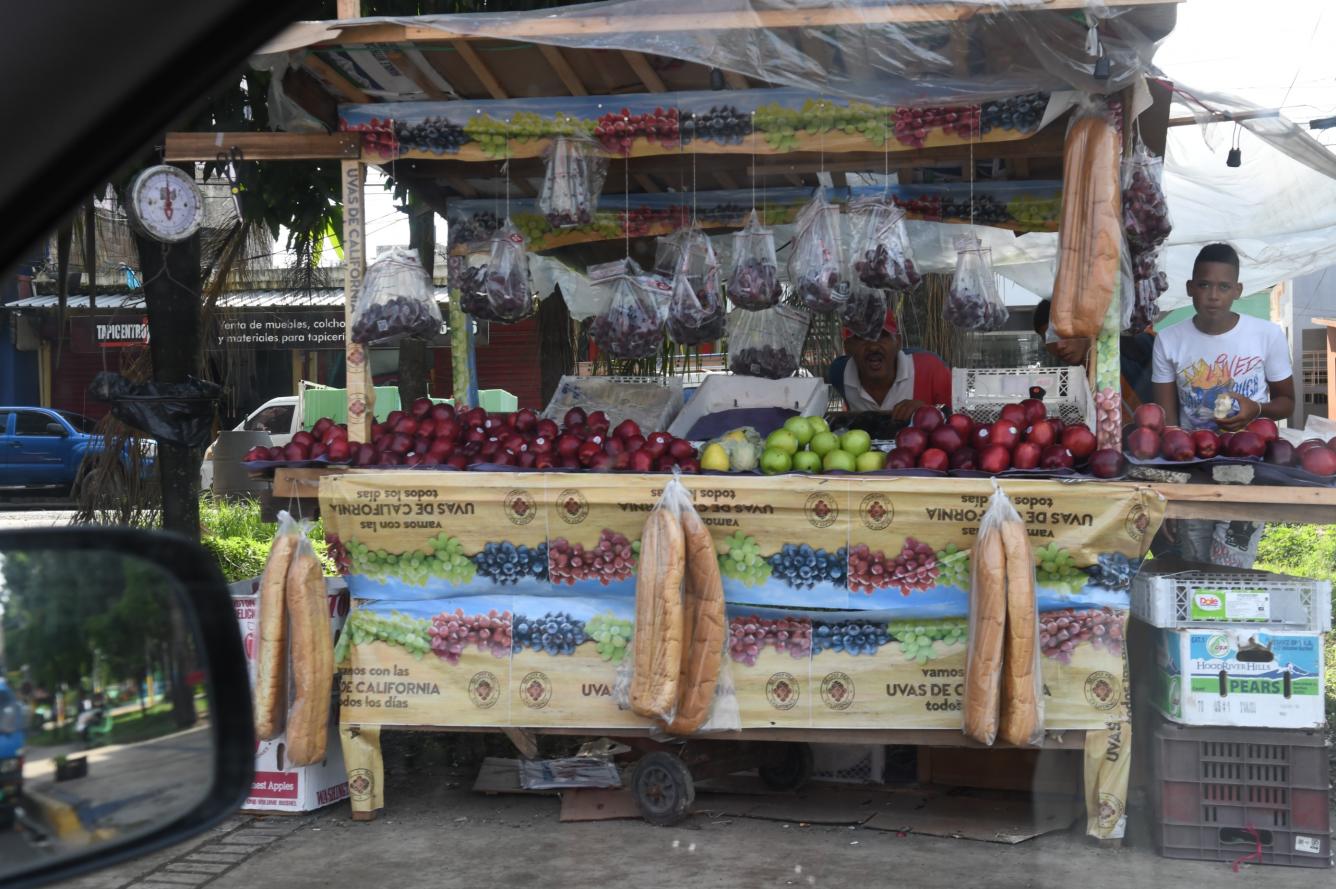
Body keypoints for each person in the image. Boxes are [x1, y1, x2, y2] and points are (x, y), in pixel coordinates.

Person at [1150, 242, 1296, 567]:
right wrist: (1169, 498)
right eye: (1204, 285)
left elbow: (1287, 404)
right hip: (1193, 472)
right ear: (1190, 288)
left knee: (1231, 566)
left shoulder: (1266, 335)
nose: (1213, 295)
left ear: (1238, 290)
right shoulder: (1169, 340)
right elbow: (1168, 427)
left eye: (1224, 286)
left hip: (1248, 470)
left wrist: (1256, 409)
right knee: (1194, 563)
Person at [1031, 299, 1156, 410]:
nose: (1059, 345)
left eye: (1064, 332)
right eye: (1048, 339)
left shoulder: (1131, 346)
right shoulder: (1079, 375)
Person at [826, 311, 951, 420]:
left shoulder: (932, 369)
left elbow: (957, 420)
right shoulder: (840, 374)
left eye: (882, 336)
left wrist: (927, 411)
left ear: (898, 342)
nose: (873, 346)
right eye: (862, 337)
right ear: (847, 347)